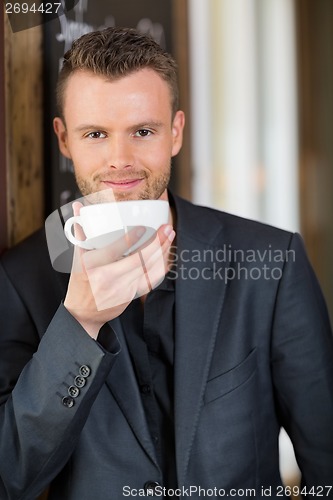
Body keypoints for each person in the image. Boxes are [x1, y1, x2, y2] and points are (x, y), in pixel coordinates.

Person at [0, 26, 333, 500]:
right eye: (95, 133)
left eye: (142, 131)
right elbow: (9, 476)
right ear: (64, 139)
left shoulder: (272, 263)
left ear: (175, 132)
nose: (120, 160)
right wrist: (79, 324)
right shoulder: (19, 280)